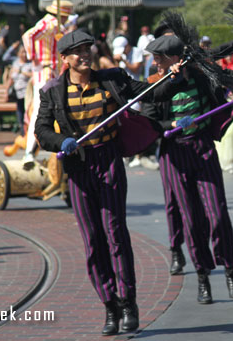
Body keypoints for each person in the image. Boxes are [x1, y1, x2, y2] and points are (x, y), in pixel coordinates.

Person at [34, 30, 182, 336]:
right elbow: (42, 130)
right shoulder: (51, 91)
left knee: (115, 233)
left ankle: (129, 303)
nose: (84, 55)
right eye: (77, 51)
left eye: (87, 49)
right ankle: (110, 306)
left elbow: (151, 93)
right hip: (79, 167)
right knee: (93, 241)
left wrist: (174, 76)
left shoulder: (113, 79)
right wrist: (62, 141)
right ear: (65, 59)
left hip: (109, 161)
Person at [144, 34, 233, 305]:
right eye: (154, 58)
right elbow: (150, 118)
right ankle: (202, 276)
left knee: (217, 215)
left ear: (175, 59)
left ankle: (230, 271)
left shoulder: (202, 73)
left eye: (159, 58)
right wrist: (170, 126)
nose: (154, 63)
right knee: (191, 220)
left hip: (202, 148)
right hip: (174, 154)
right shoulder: (154, 83)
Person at [21, 0, 73, 166]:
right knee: (39, 111)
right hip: (45, 71)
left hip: (53, 72)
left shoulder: (56, 26)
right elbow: (28, 35)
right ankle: (29, 152)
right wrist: (34, 58)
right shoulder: (50, 23)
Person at [5, 45, 33, 136]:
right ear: (18, 53)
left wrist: (22, 72)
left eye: (26, 52)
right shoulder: (16, 63)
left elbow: (34, 75)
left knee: (28, 112)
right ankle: (23, 133)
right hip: (18, 92)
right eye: (22, 52)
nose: (24, 54)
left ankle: (29, 133)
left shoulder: (31, 63)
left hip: (28, 92)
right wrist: (7, 91)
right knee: (20, 112)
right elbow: (11, 78)